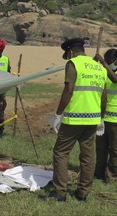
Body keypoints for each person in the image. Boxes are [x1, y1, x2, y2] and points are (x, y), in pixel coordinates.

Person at [40, 38, 107, 202]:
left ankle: (60, 192)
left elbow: (69, 90)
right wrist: (101, 117)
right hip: (92, 119)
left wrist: (58, 114)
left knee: (61, 152)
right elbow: (104, 96)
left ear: (71, 52)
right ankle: (83, 193)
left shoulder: (73, 64)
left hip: (74, 118)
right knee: (88, 156)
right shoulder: (99, 67)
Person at [94, 48, 117, 183]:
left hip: (115, 120)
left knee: (114, 150)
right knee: (101, 148)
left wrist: (104, 63)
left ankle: (111, 177)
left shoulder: (111, 73)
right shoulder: (105, 73)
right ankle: (99, 173)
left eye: (110, 62)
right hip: (102, 119)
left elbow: (115, 80)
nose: (108, 64)